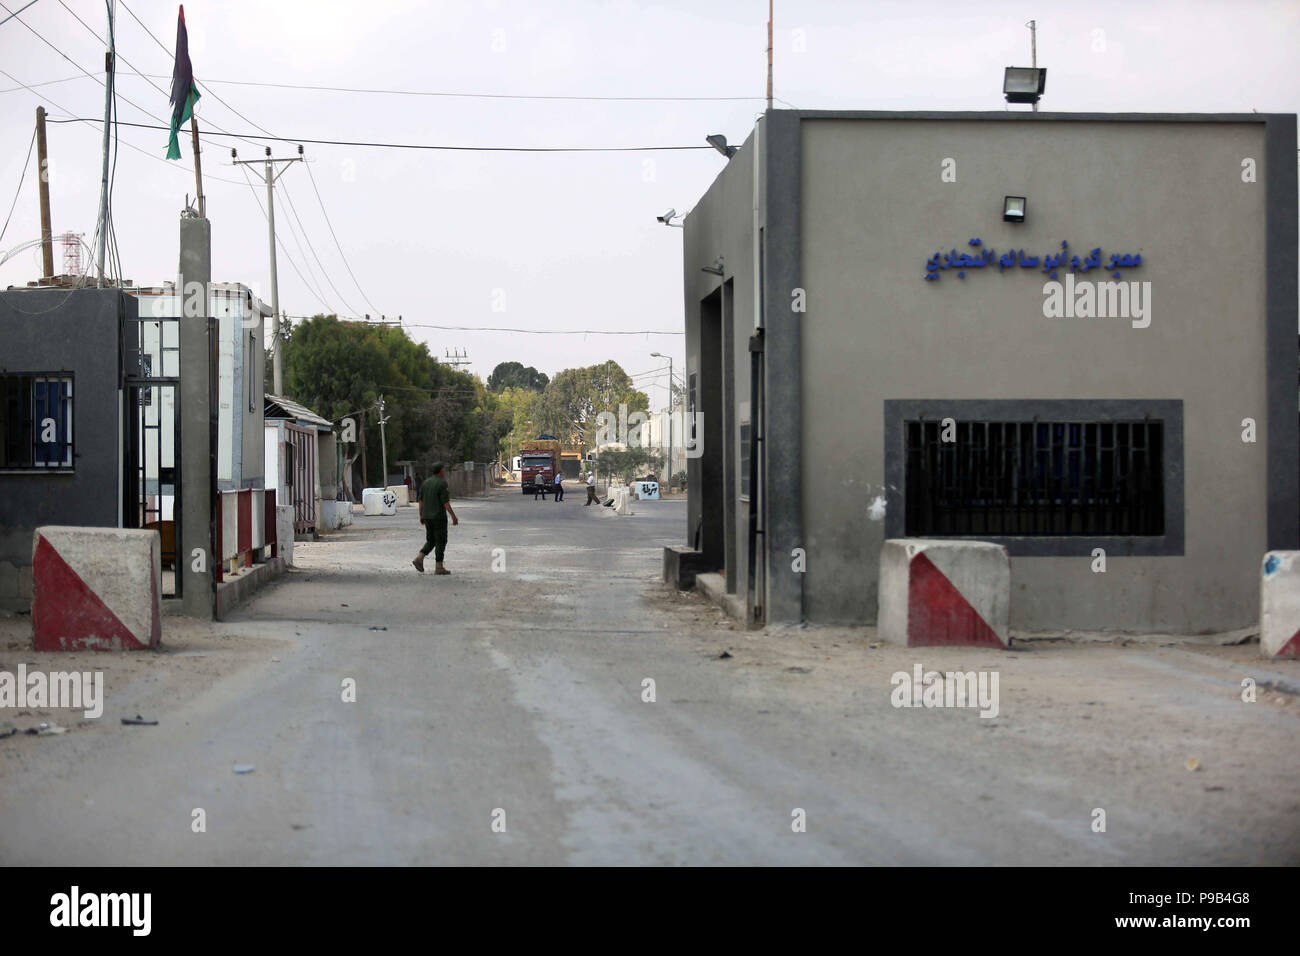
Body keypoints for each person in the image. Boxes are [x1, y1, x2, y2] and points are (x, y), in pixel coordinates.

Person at [412, 463, 458, 575]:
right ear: (440, 471)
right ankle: (439, 566)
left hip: (427, 516)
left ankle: (419, 558)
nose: (445, 471)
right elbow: (445, 502)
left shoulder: (426, 483)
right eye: (444, 469)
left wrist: (421, 515)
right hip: (438, 517)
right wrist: (453, 516)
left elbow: (421, 501)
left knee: (431, 540)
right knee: (441, 540)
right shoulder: (442, 483)